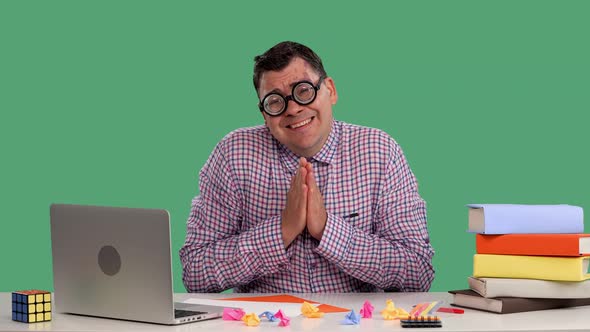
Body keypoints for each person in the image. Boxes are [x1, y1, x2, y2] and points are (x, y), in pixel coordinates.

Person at [179, 41, 434, 293]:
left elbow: (418, 272)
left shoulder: (380, 151)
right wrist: (282, 230)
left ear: (330, 90)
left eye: (303, 91)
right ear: (264, 114)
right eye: (275, 102)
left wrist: (327, 229)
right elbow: (195, 272)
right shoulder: (233, 153)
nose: (292, 109)